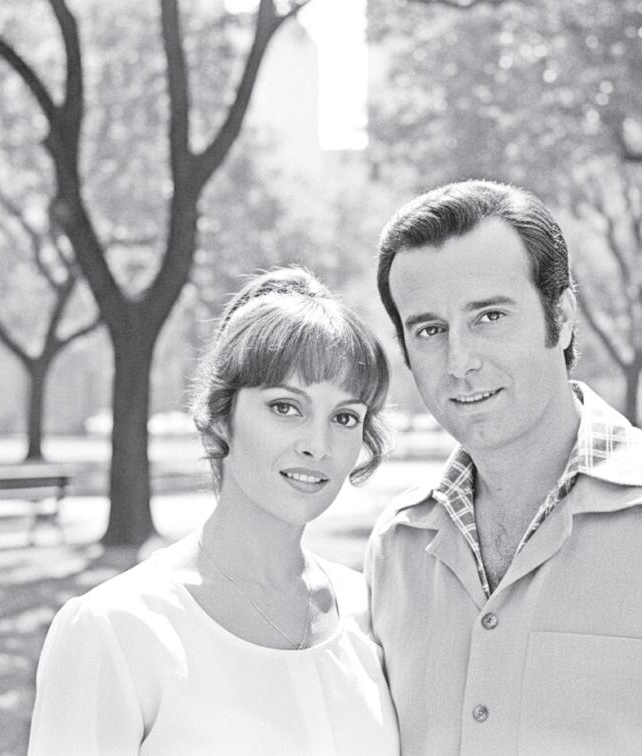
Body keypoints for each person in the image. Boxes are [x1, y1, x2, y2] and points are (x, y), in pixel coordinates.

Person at [366, 180, 642, 755]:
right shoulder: (397, 547)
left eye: (489, 316)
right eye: (430, 329)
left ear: (560, 317)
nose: (460, 362)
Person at [28, 267, 400, 755]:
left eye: (345, 417)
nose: (319, 444)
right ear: (219, 417)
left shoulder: (372, 613)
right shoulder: (115, 628)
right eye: (285, 407)